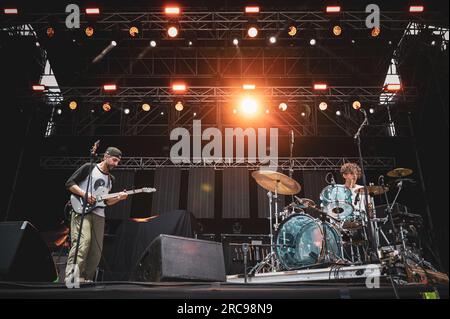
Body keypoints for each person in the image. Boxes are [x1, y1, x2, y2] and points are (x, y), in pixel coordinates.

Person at [64, 147, 128, 282]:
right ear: (106, 156)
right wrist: (84, 194)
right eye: (114, 160)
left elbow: (106, 201)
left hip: (99, 215)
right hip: (81, 210)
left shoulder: (111, 179)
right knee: (83, 243)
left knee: (96, 251)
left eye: (118, 162)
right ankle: (71, 279)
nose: (116, 164)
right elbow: (69, 184)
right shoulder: (89, 168)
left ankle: (86, 278)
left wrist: (118, 198)